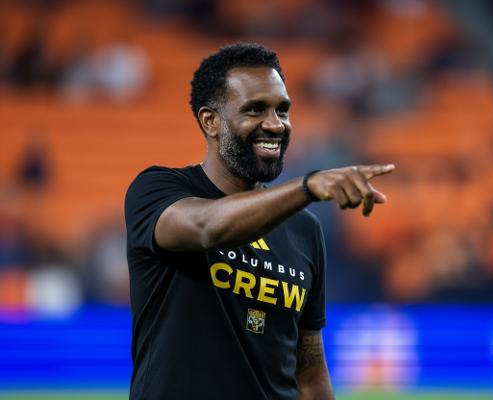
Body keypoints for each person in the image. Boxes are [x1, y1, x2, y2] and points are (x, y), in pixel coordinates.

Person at [124, 43, 394, 400]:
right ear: (210, 121)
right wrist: (308, 186)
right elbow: (207, 228)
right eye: (255, 109)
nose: (275, 124)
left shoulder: (304, 229)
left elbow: (310, 371)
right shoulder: (157, 190)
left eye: (282, 110)